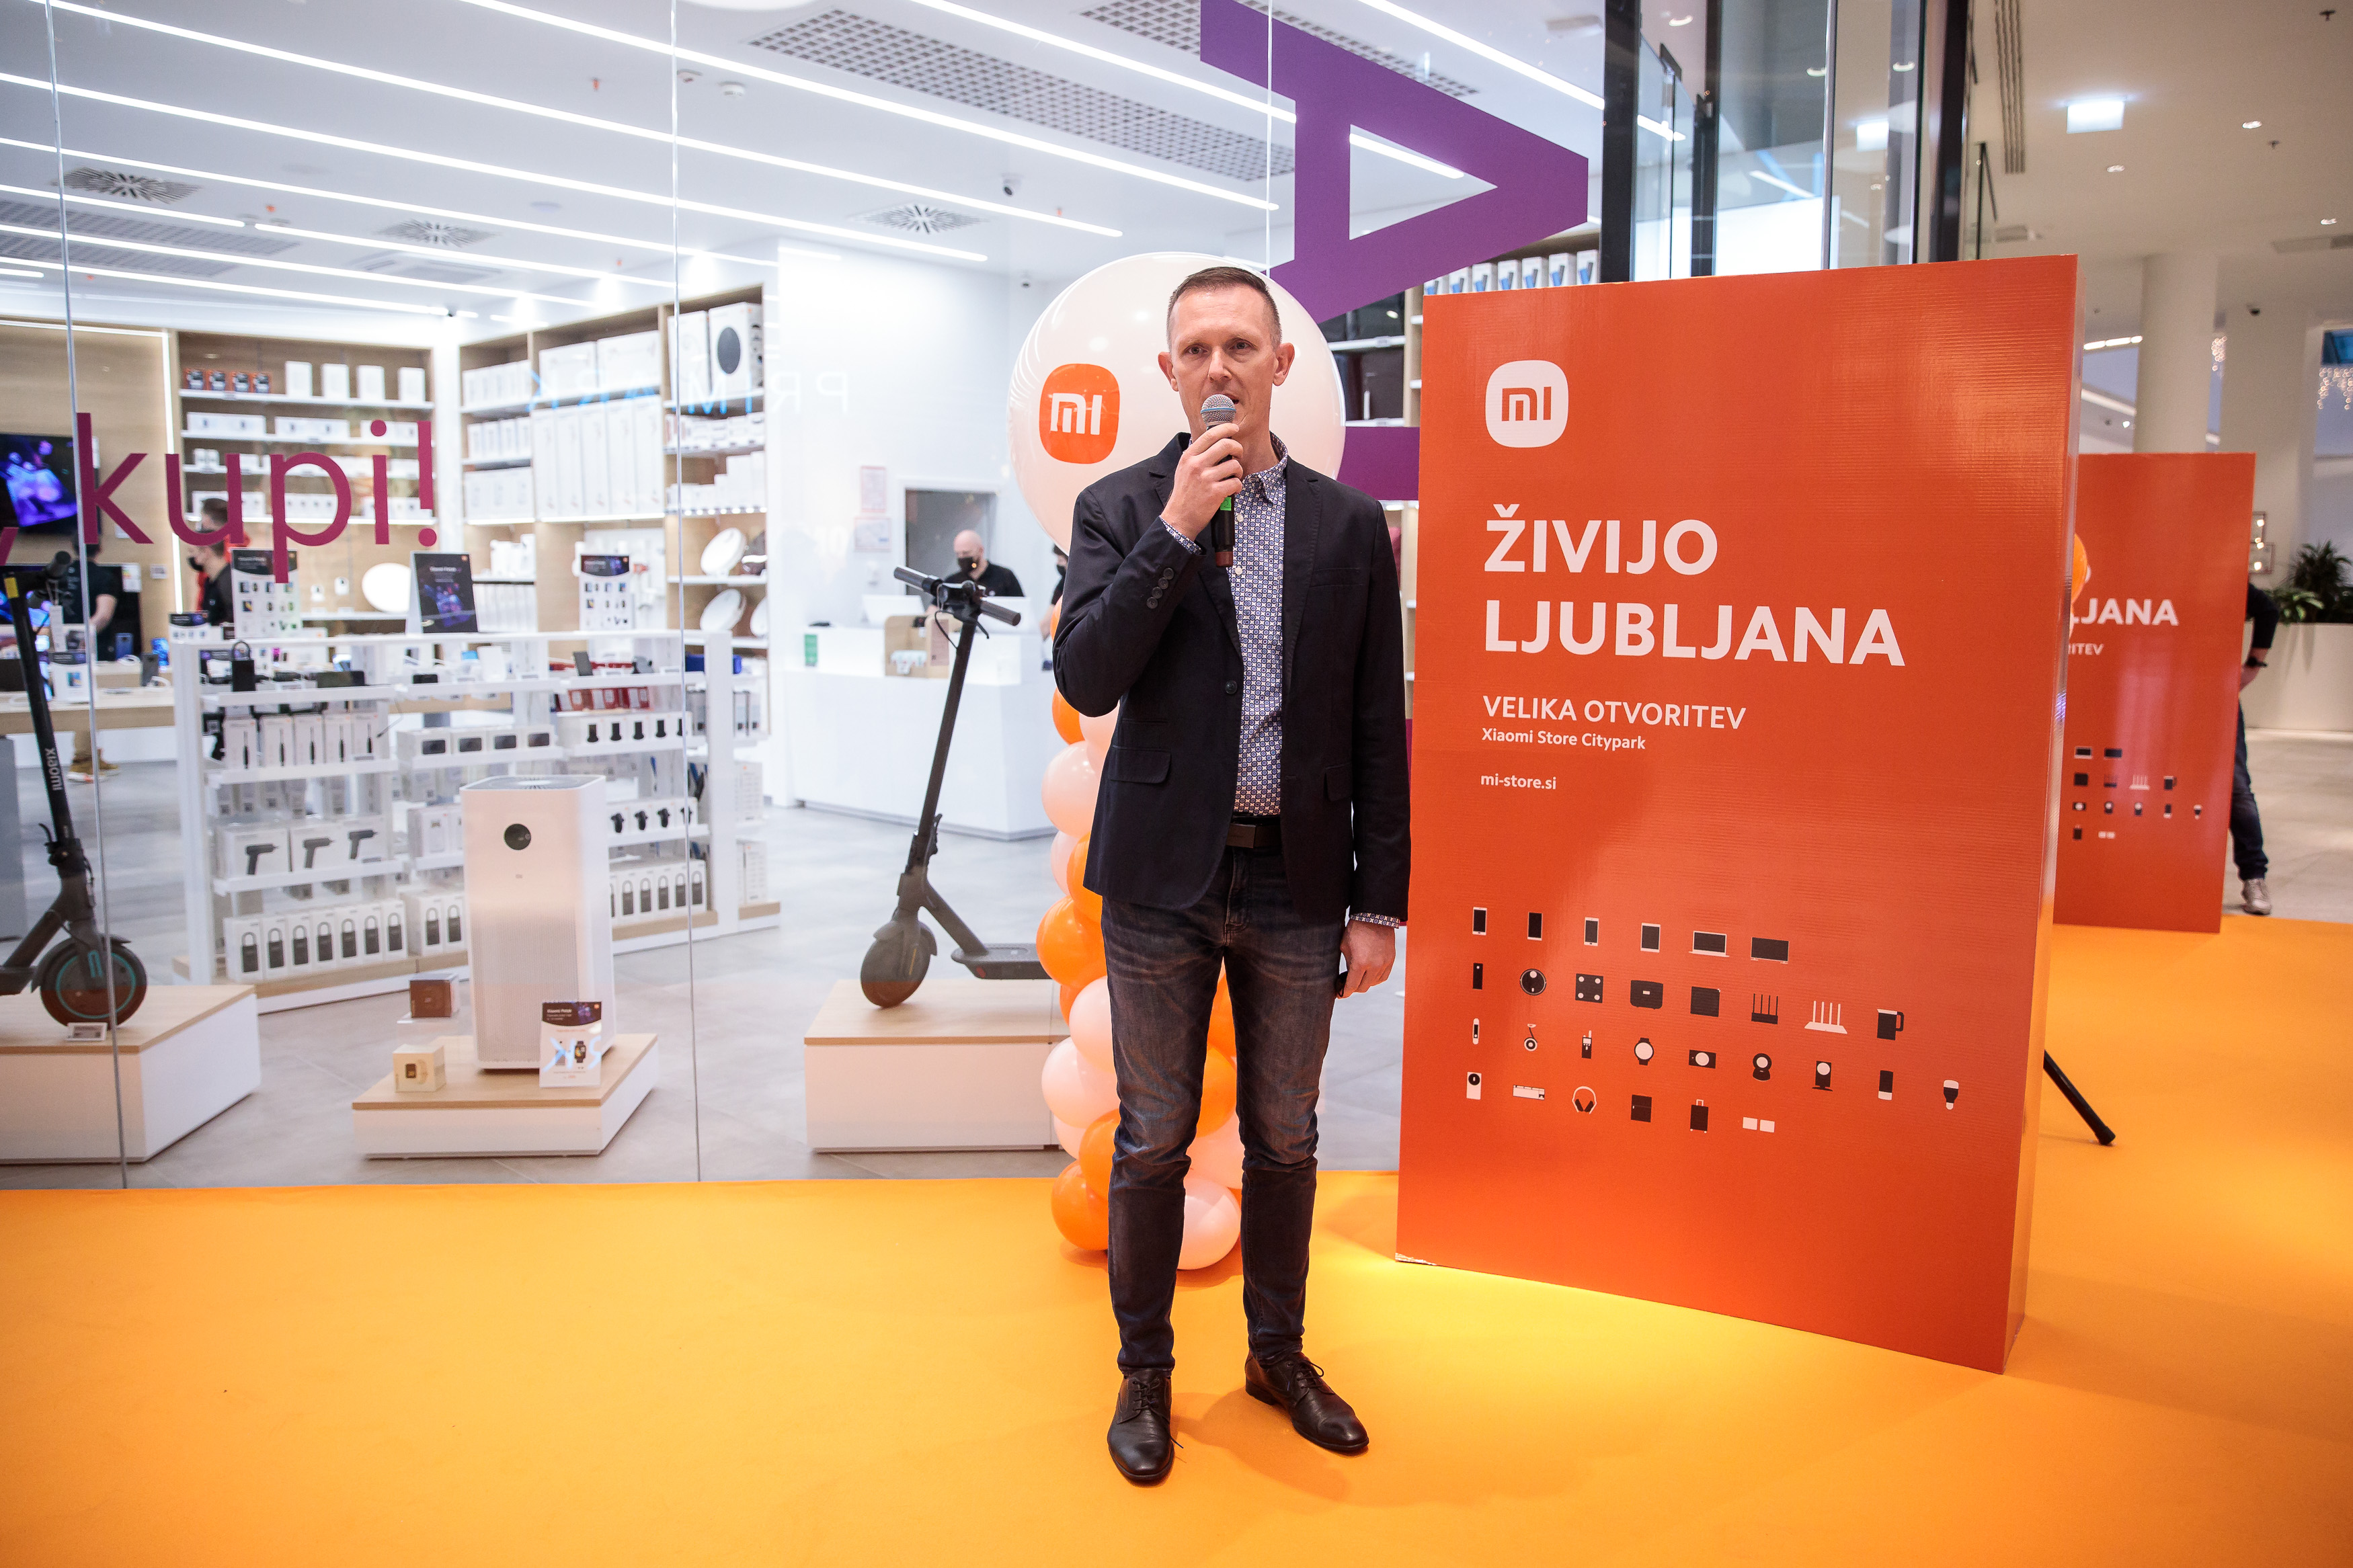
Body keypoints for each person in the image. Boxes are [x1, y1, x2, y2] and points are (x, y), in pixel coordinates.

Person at [1054, 265, 1409, 1485]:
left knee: (1287, 1137)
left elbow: (1377, 724)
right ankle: (1144, 1374)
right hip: (1160, 880)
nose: (1218, 367)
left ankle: (1277, 1355)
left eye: (1240, 346)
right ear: (1169, 371)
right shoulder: (1117, 509)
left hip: (1298, 882)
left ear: (1280, 364)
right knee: (1154, 1136)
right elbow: (1088, 676)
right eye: (1197, 348)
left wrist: (1378, 900)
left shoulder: (1349, 526)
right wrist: (1174, 530)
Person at [56, 532, 123, 782]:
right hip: (91, 649)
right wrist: (84, 637)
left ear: (72, 547)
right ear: (100, 548)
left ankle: (89, 755)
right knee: (87, 701)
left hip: (62, 647)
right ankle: (82, 759)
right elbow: (103, 615)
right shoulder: (104, 577)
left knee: (82, 700)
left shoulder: (60, 575)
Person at [2235, 582, 2278, 916]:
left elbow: (2267, 609)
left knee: (2236, 787)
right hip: (2152, 686)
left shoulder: (2215, 569)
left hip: (2213, 690)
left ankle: (2254, 877)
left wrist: (2253, 665)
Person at [190, 504, 235, 628]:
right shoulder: (210, 582)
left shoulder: (228, 581)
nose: (192, 558)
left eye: (193, 552)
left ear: (206, 551)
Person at [950, 528, 1022, 597]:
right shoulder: (952, 583)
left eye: (966, 553)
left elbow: (1020, 604)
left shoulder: (1005, 577)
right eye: (958, 554)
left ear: (981, 551)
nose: (962, 557)